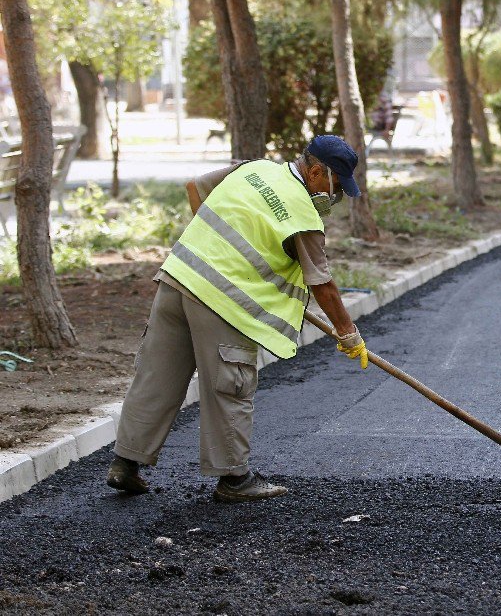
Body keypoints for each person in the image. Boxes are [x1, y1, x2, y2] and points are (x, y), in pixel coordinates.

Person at [107, 135, 370, 503]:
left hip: (178, 278)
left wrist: (214, 248)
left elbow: (195, 187)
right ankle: (234, 478)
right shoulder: (302, 215)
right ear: (315, 173)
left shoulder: (255, 170)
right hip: (223, 303)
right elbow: (322, 284)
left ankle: (125, 463)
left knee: (157, 375)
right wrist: (349, 333)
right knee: (230, 386)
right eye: (337, 185)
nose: (336, 195)